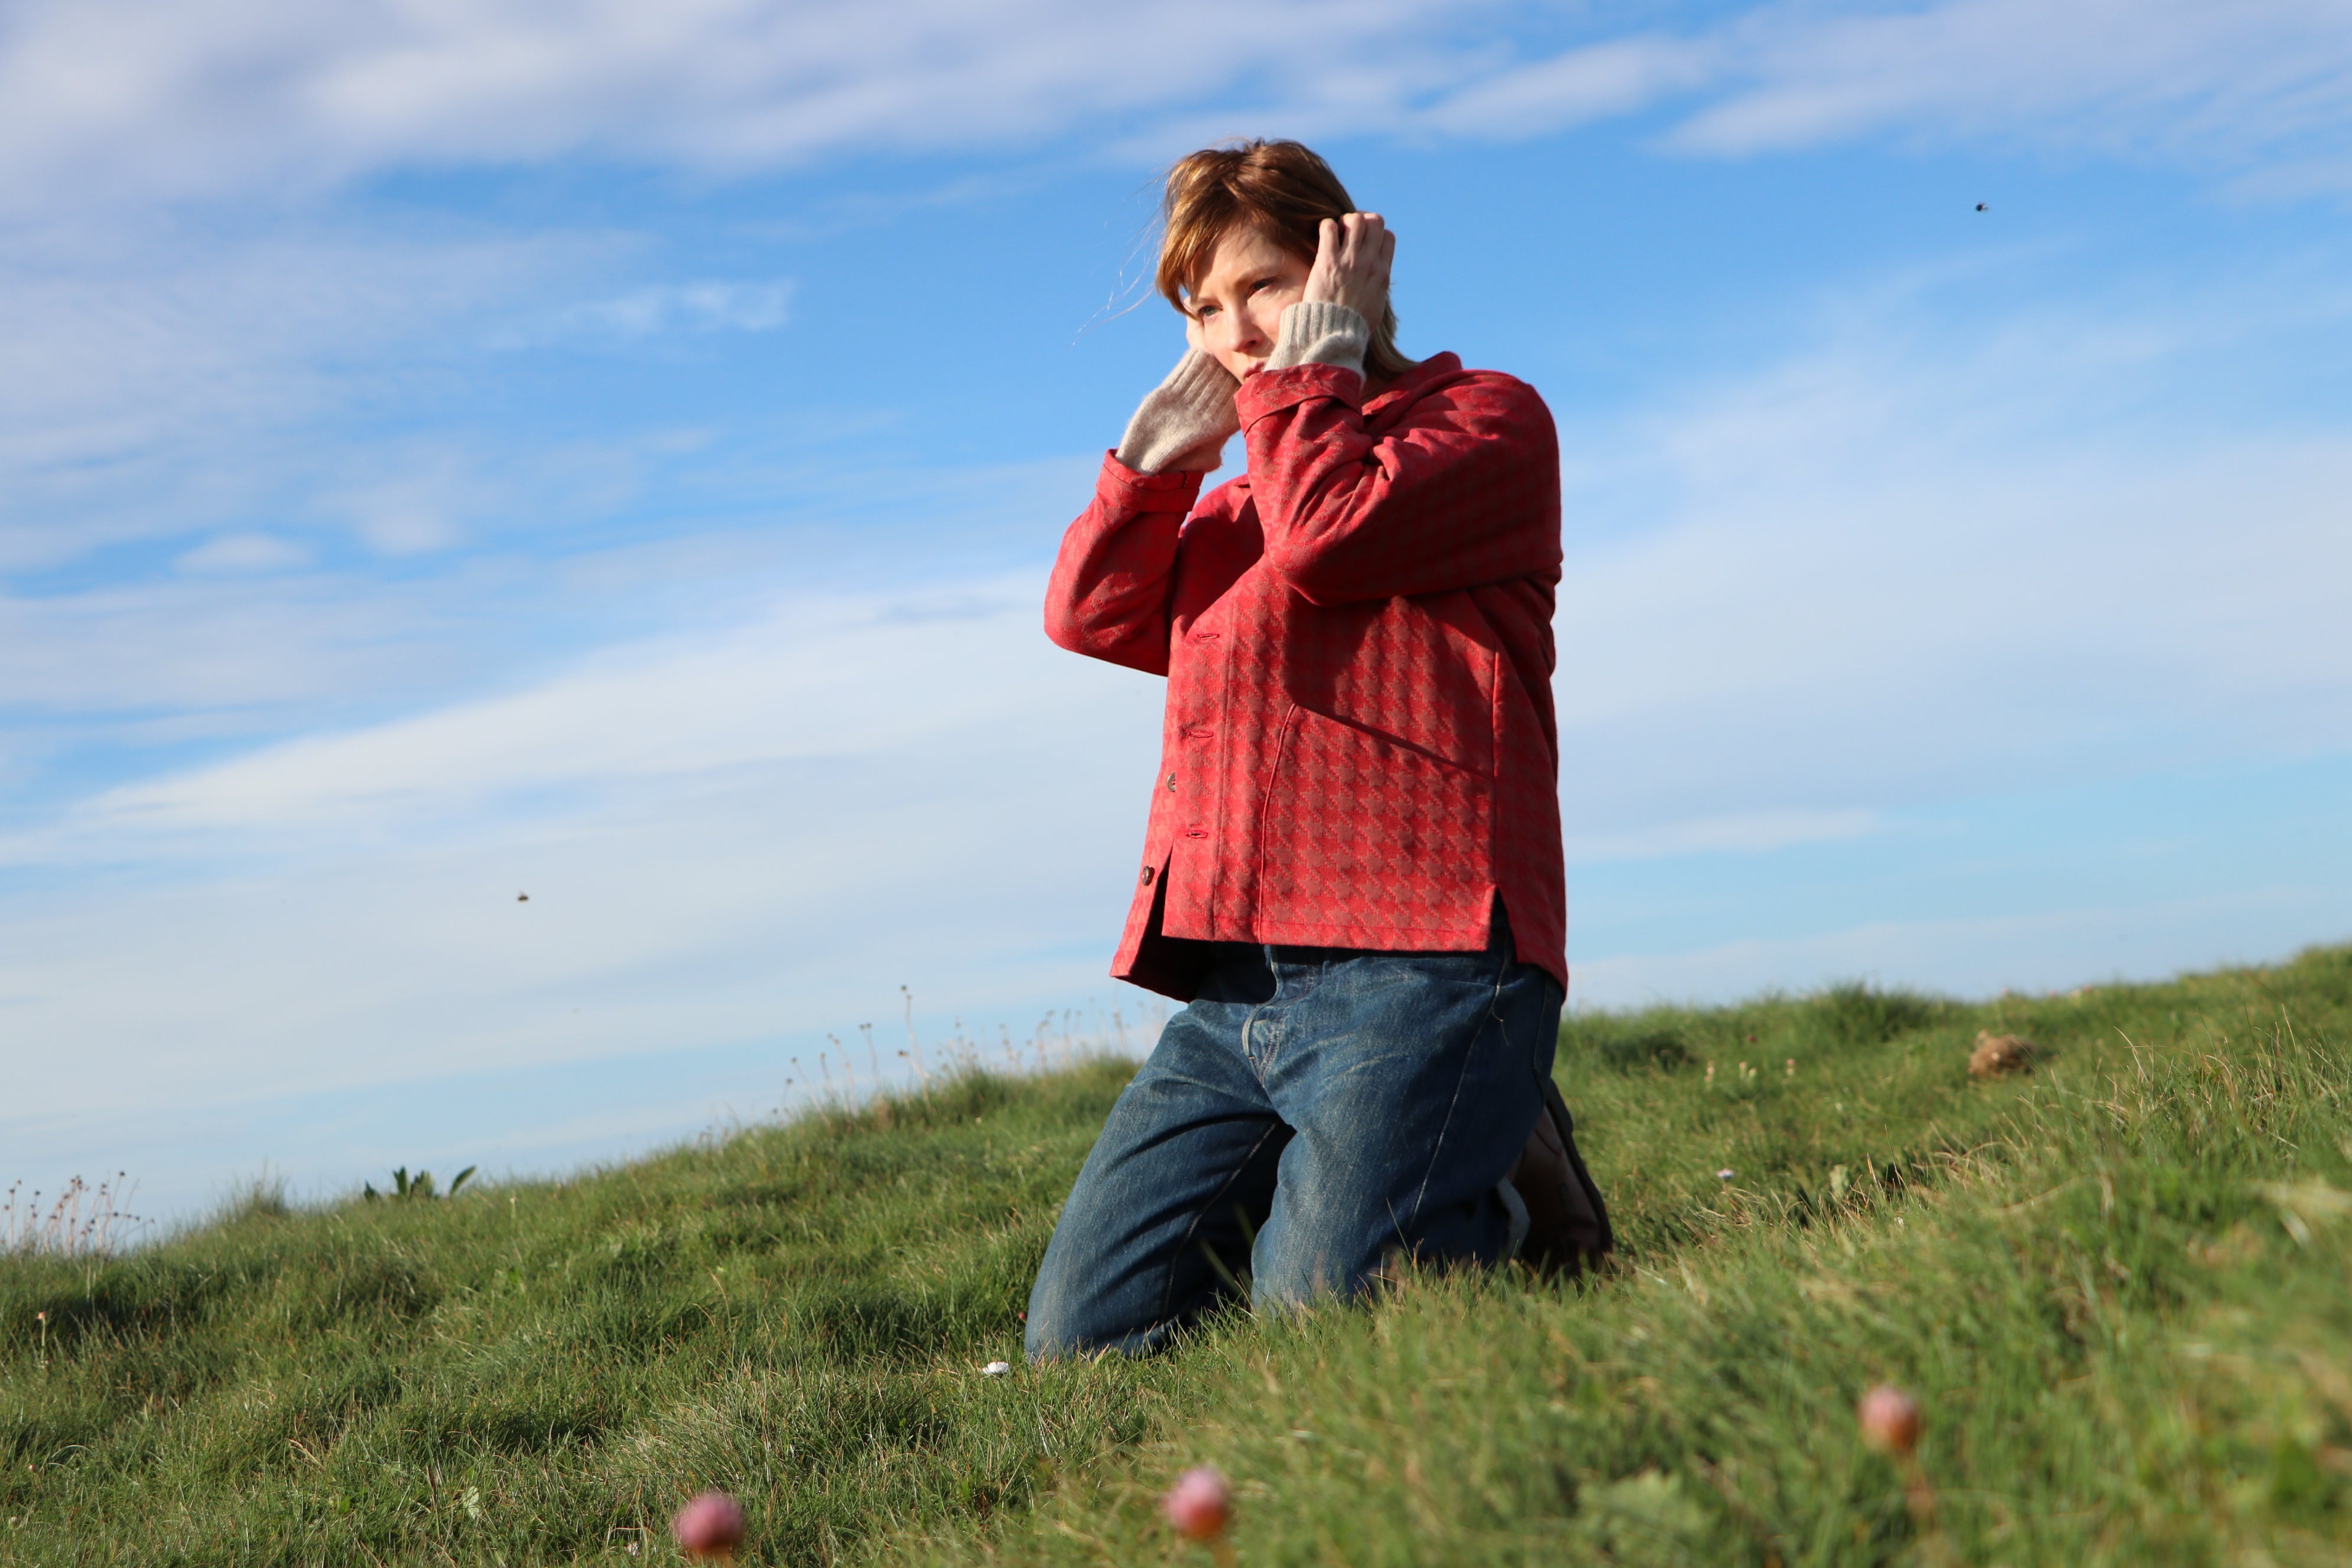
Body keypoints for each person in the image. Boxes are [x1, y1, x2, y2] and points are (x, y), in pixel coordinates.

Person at [1026, 140, 1609, 1360]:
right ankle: (1469, 1137)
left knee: (1325, 1331)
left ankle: (1487, 1158)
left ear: (1347, 275)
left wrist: (1321, 368)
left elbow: (1330, 542)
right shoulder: (1242, 502)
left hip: (1430, 957)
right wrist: (1147, 468)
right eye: (1202, 307)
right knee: (1083, 1347)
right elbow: (1096, 616)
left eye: (1264, 286)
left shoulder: (1488, 423)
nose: (1234, 331)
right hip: (1237, 980)